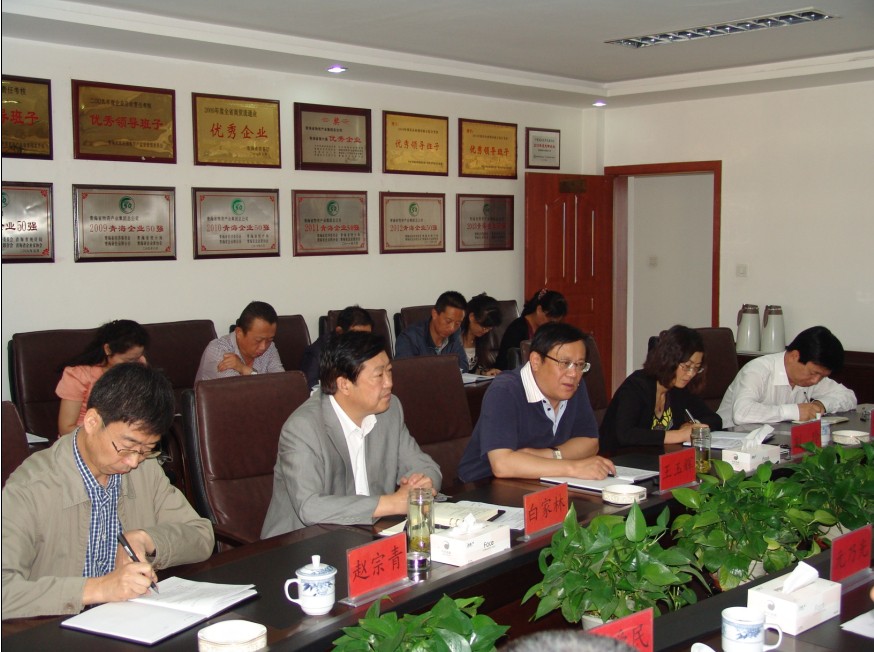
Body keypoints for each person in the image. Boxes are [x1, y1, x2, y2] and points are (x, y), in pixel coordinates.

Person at [2, 363, 214, 619]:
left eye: (147, 450)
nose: (133, 462)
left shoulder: (144, 470)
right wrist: (100, 589)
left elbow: (202, 536)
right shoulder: (30, 487)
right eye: (127, 447)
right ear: (92, 421)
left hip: (129, 620)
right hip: (54, 626)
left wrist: (147, 539)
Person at [261, 331, 442, 537]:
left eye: (389, 372)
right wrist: (391, 503)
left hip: (369, 534)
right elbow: (309, 507)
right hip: (303, 543)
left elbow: (427, 467)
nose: (389, 383)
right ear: (344, 384)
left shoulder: (390, 411)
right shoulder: (303, 428)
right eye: (379, 375)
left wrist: (421, 485)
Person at [457, 322, 614, 483]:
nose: (573, 374)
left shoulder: (573, 387)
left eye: (580, 365)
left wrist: (548, 455)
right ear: (536, 361)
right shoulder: (505, 390)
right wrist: (573, 468)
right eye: (565, 363)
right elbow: (502, 464)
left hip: (541, 480)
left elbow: (590, 442)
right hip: (483, 486)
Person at [599, 325, 722, 451]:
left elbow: (715, 419)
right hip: (620, 458)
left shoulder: (681, 388)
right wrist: (678, 435)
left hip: (657, 457)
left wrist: (693, 425)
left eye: (696, 368)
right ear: (669, 360)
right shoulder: (636, 386)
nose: (691, 374)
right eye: (686, 366)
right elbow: (625, 434)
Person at [718, 325, 857, 428]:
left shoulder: (814, 377)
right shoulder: (757, 370)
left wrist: (820, 405)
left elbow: (849, 396)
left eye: (822, 376)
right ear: (794, 356)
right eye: (813, 373)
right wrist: (794, 411)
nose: (816, 381)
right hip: (730, 445)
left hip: (776, 443)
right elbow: (742, 413)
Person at [55, 319, 149, 436]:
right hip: (85, 436)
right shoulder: (78, 375)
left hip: (128, 435)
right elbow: (66, 429)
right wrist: (109, 435)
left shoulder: (139, 363)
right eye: (128, 360)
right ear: (108, 349)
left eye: (137, 358)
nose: (133, 365)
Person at [196, 300, 284, 381]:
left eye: (269, 340)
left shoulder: (270, 347)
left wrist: (244, 369)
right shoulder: (217, 350)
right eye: (258, 340)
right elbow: (238, 389)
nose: (263, 347)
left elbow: (282, 383)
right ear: (239, 333)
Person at [301, 306, 374, 387]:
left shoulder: (371, 347)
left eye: (366, 336)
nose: (362, 341)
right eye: (356, 336)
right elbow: (311, 389)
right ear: (340, 332)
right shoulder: (316, 353)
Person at [496, 289, 567, 370]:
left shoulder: (548, 330)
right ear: (539, 310)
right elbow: (506, 362)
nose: (552, 325)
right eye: (550, 320)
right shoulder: (517, 328)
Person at [395, 291, 468, 370]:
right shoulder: (409, 338)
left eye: (457, 323)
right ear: (434, 314)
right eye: (448, 321)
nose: (452, 328)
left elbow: (463, 366)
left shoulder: (455, 333)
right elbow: (404, 371)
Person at [459, 293, 503, 376]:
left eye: (489, 328)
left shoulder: (481, 340)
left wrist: (485, 373)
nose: (486, 331)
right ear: (472, 317)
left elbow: (473, 370)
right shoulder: (454, 338)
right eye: (484, 327)